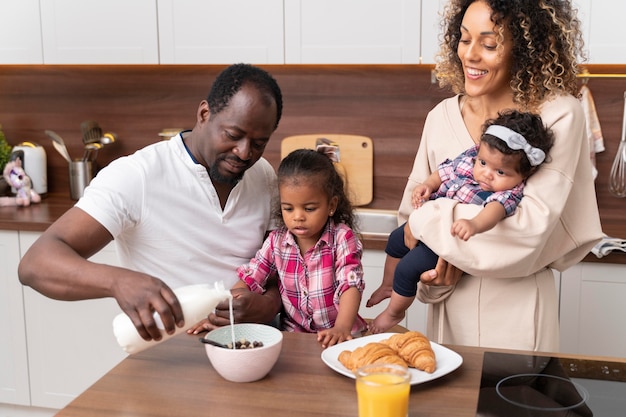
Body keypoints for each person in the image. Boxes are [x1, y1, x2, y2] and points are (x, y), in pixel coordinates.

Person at [367, 0, 603, 351]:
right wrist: (435, 276)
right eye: (464, 39)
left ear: (524, 50)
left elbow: (528, 233)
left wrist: (432, 223)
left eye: (489, 44)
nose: (471, 55)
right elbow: (410, 225)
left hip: (518, 316)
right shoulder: (440, 117)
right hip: (449, 314)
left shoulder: (557, 116)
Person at [18, 63, 284, 343]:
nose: (244, 152)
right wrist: (118, 281)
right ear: (204, 114)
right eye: (232, 135)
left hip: (254, 344)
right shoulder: (137, 176)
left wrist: (270, 304)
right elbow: (35, 264)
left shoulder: (262, 173)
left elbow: (284, 262)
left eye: (258, 143)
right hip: (173, 355)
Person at [370, 110, 554, 334]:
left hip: (447, 241)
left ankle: (394, 313)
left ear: (524, 174)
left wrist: (474, 224)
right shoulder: (470, 158)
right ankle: (387, 285)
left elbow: (494, 212)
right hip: (426, 227)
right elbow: (444, 172)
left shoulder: (510, 193)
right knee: (395, 241)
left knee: (407, 269)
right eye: (483, 162)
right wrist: (428, 185)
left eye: (500, 172)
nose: (486, 174)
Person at [191, 148, 368, 348]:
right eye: (288, 208)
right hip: (294, 338)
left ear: (331, 205)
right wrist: (216, 318)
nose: (298, 217)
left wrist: (342, 327)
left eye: (309, 209)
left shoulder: (342, 238)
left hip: (339, 338)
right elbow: (250, 279)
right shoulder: (276, 242)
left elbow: (350, 285)